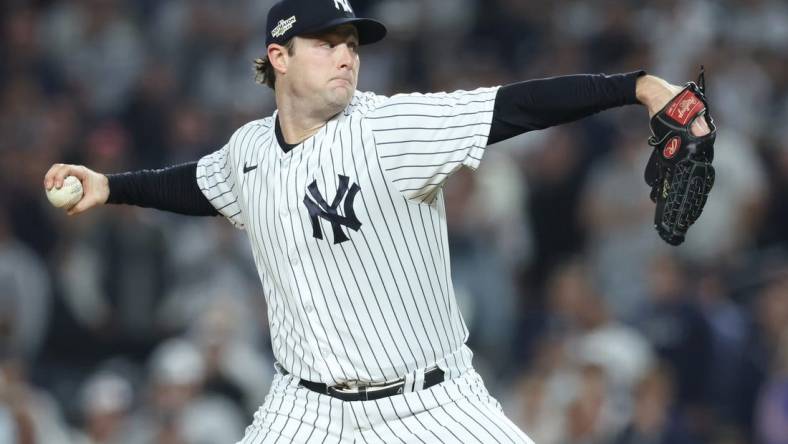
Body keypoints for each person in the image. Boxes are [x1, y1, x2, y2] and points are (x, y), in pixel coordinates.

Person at [44, 0, 711, 442]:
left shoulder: (388, 129)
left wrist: (638, 86)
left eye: (351, 43)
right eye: (326, 42)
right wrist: (111, 186)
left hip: (431, 405)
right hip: (303, 409)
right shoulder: (249, 151)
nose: (346, 55)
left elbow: (515, 108)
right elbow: (198, 183)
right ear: (278, 57)